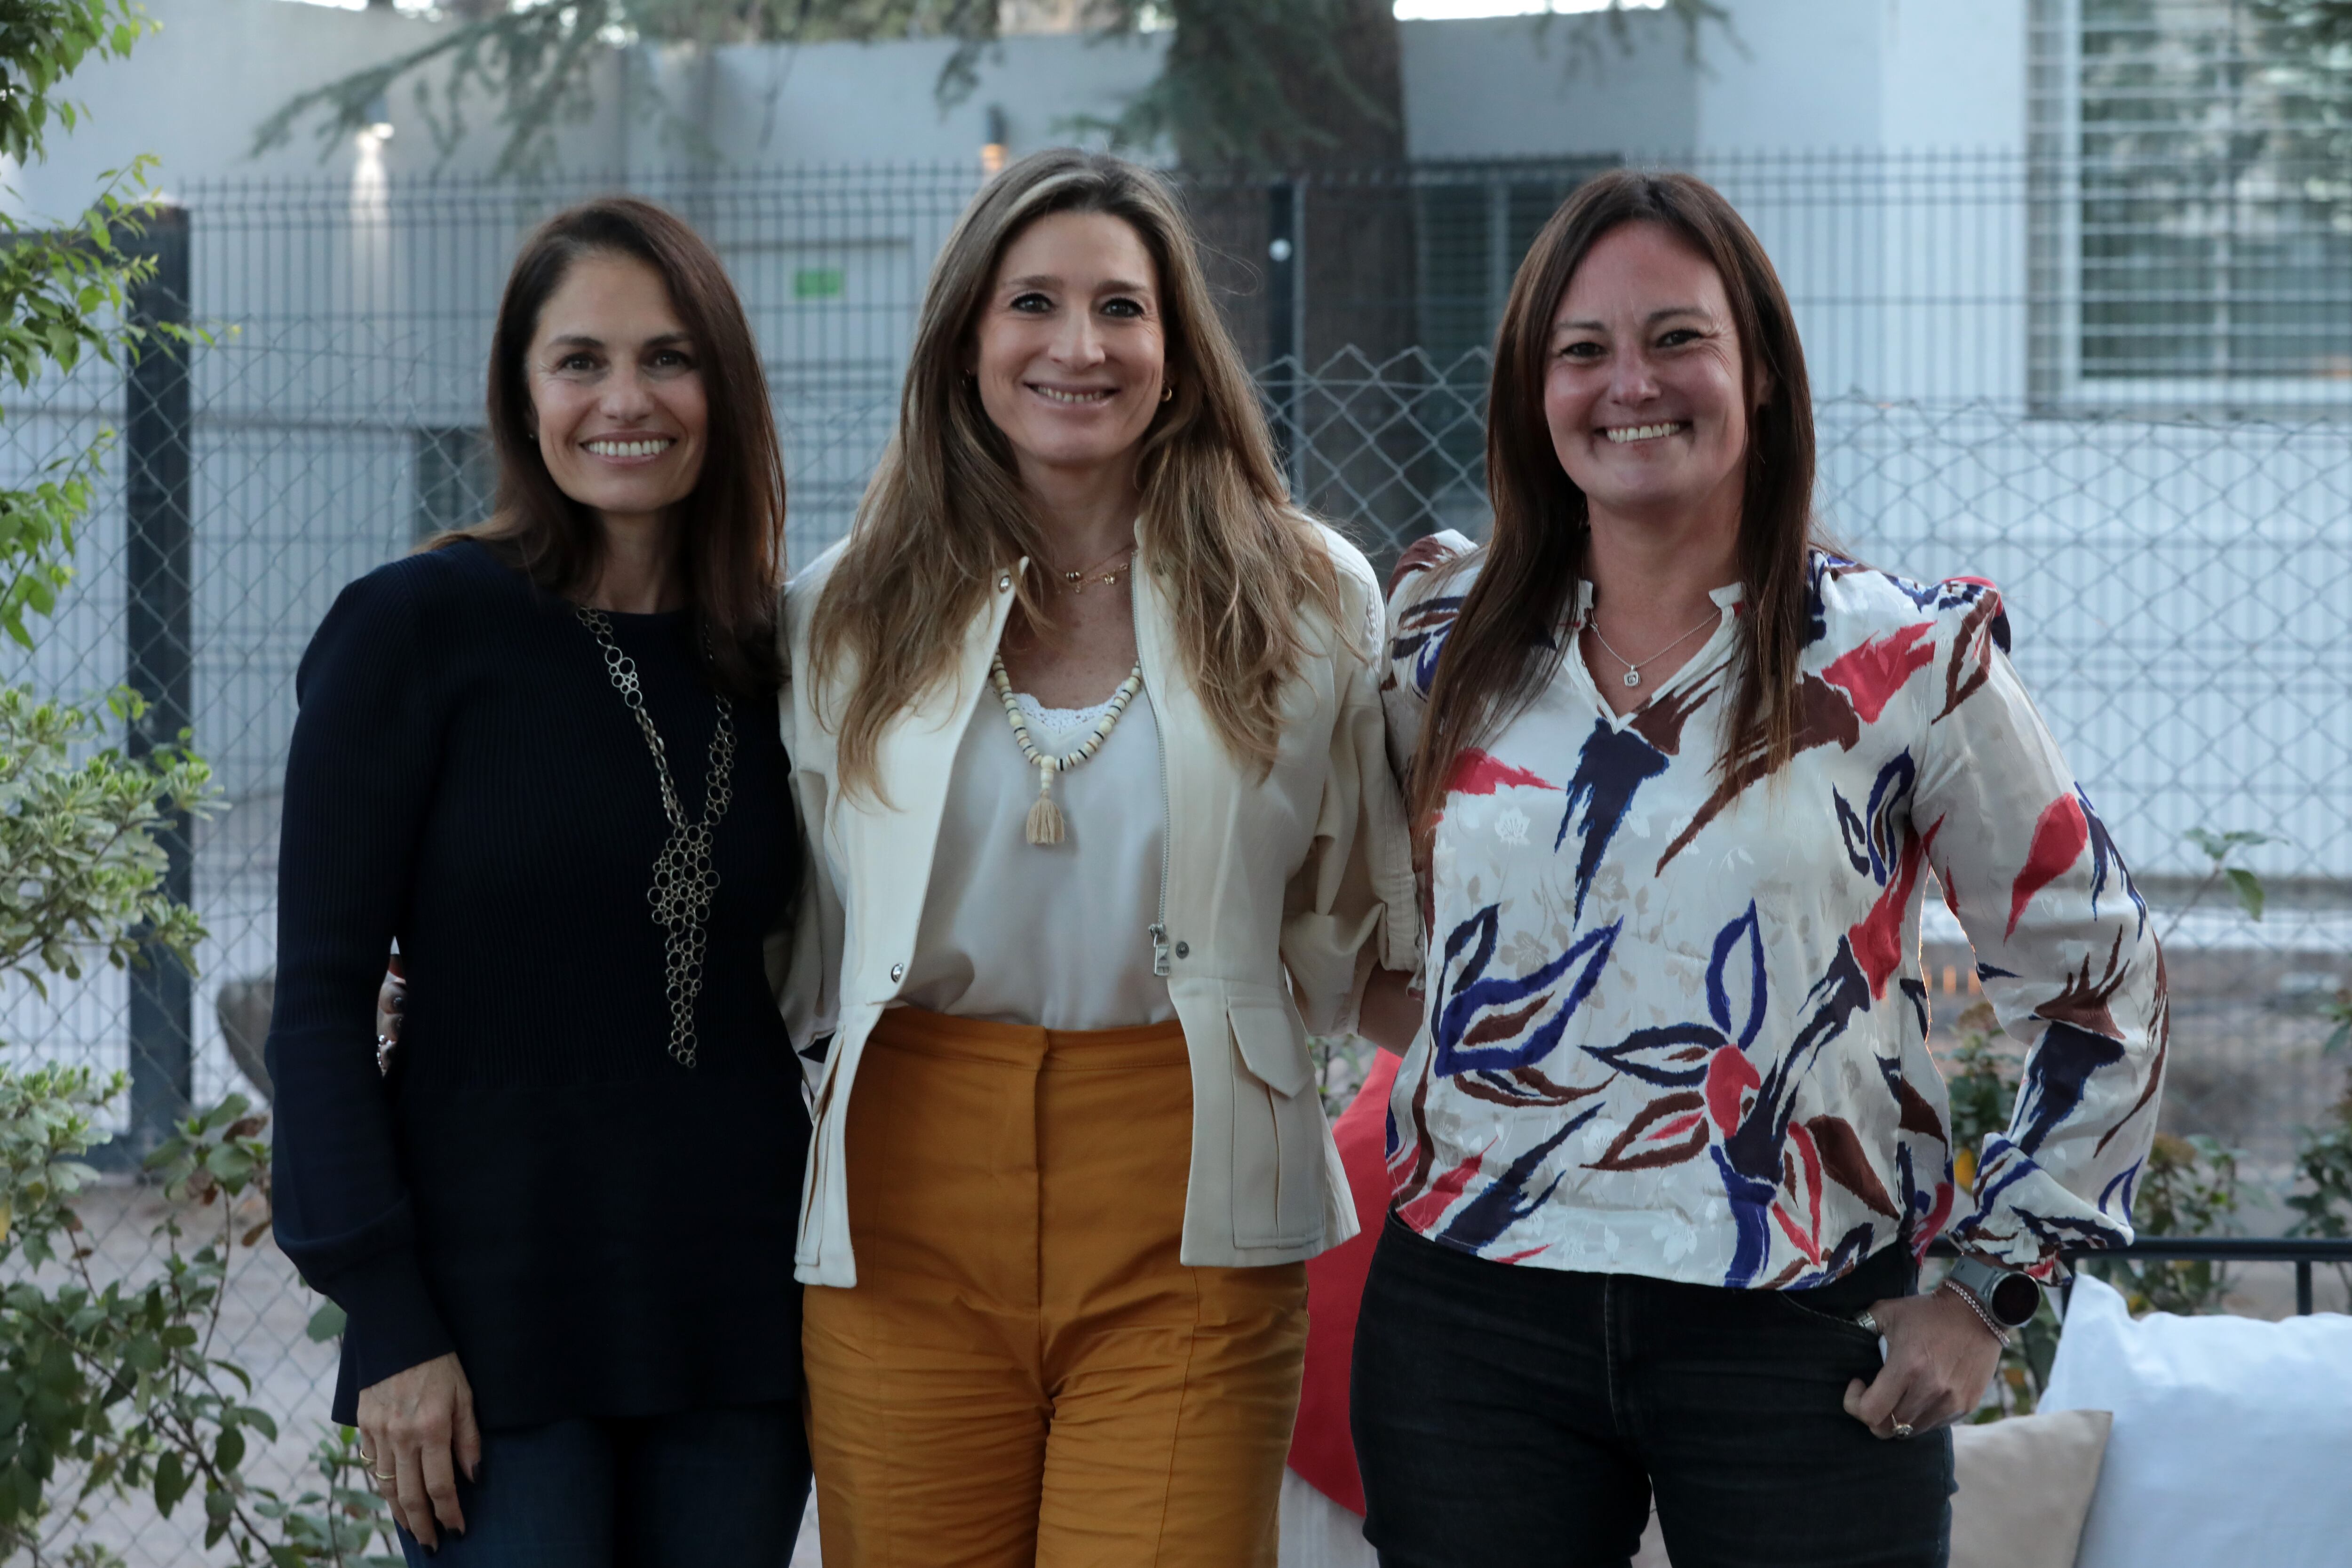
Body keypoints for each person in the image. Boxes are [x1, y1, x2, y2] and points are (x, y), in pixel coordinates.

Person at [1349, 170, 2166, 1568]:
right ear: (1531, 391)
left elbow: (2103, 976)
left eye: (1677, 339)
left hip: (1801, 1331)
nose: (1630, 385)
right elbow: (1353, 926)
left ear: (1763, 375)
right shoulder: (1440, 638)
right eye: (1583, 350)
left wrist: (1985, 1291)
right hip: (1473, 1324)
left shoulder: (1905, 661)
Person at [779, 148, 1418, 1568]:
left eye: (1121, 309)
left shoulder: (1311, 600)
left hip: (1195, 1200)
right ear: (965, 346)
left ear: (1180, 360)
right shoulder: (839, 615)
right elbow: (785, 921)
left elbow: (1360, 914)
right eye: (1034, 305)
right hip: (905, 1197)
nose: (1079, 347)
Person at [267, 197, 812, 1567]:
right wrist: (387, 1320)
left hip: (736, 1323)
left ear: (724, 387)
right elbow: (321, 1006)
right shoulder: (414, 630)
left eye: (669, 358)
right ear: (522, 393)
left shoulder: (779, 654)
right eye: (580, 361)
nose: (625, 400)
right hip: (488, 1333)